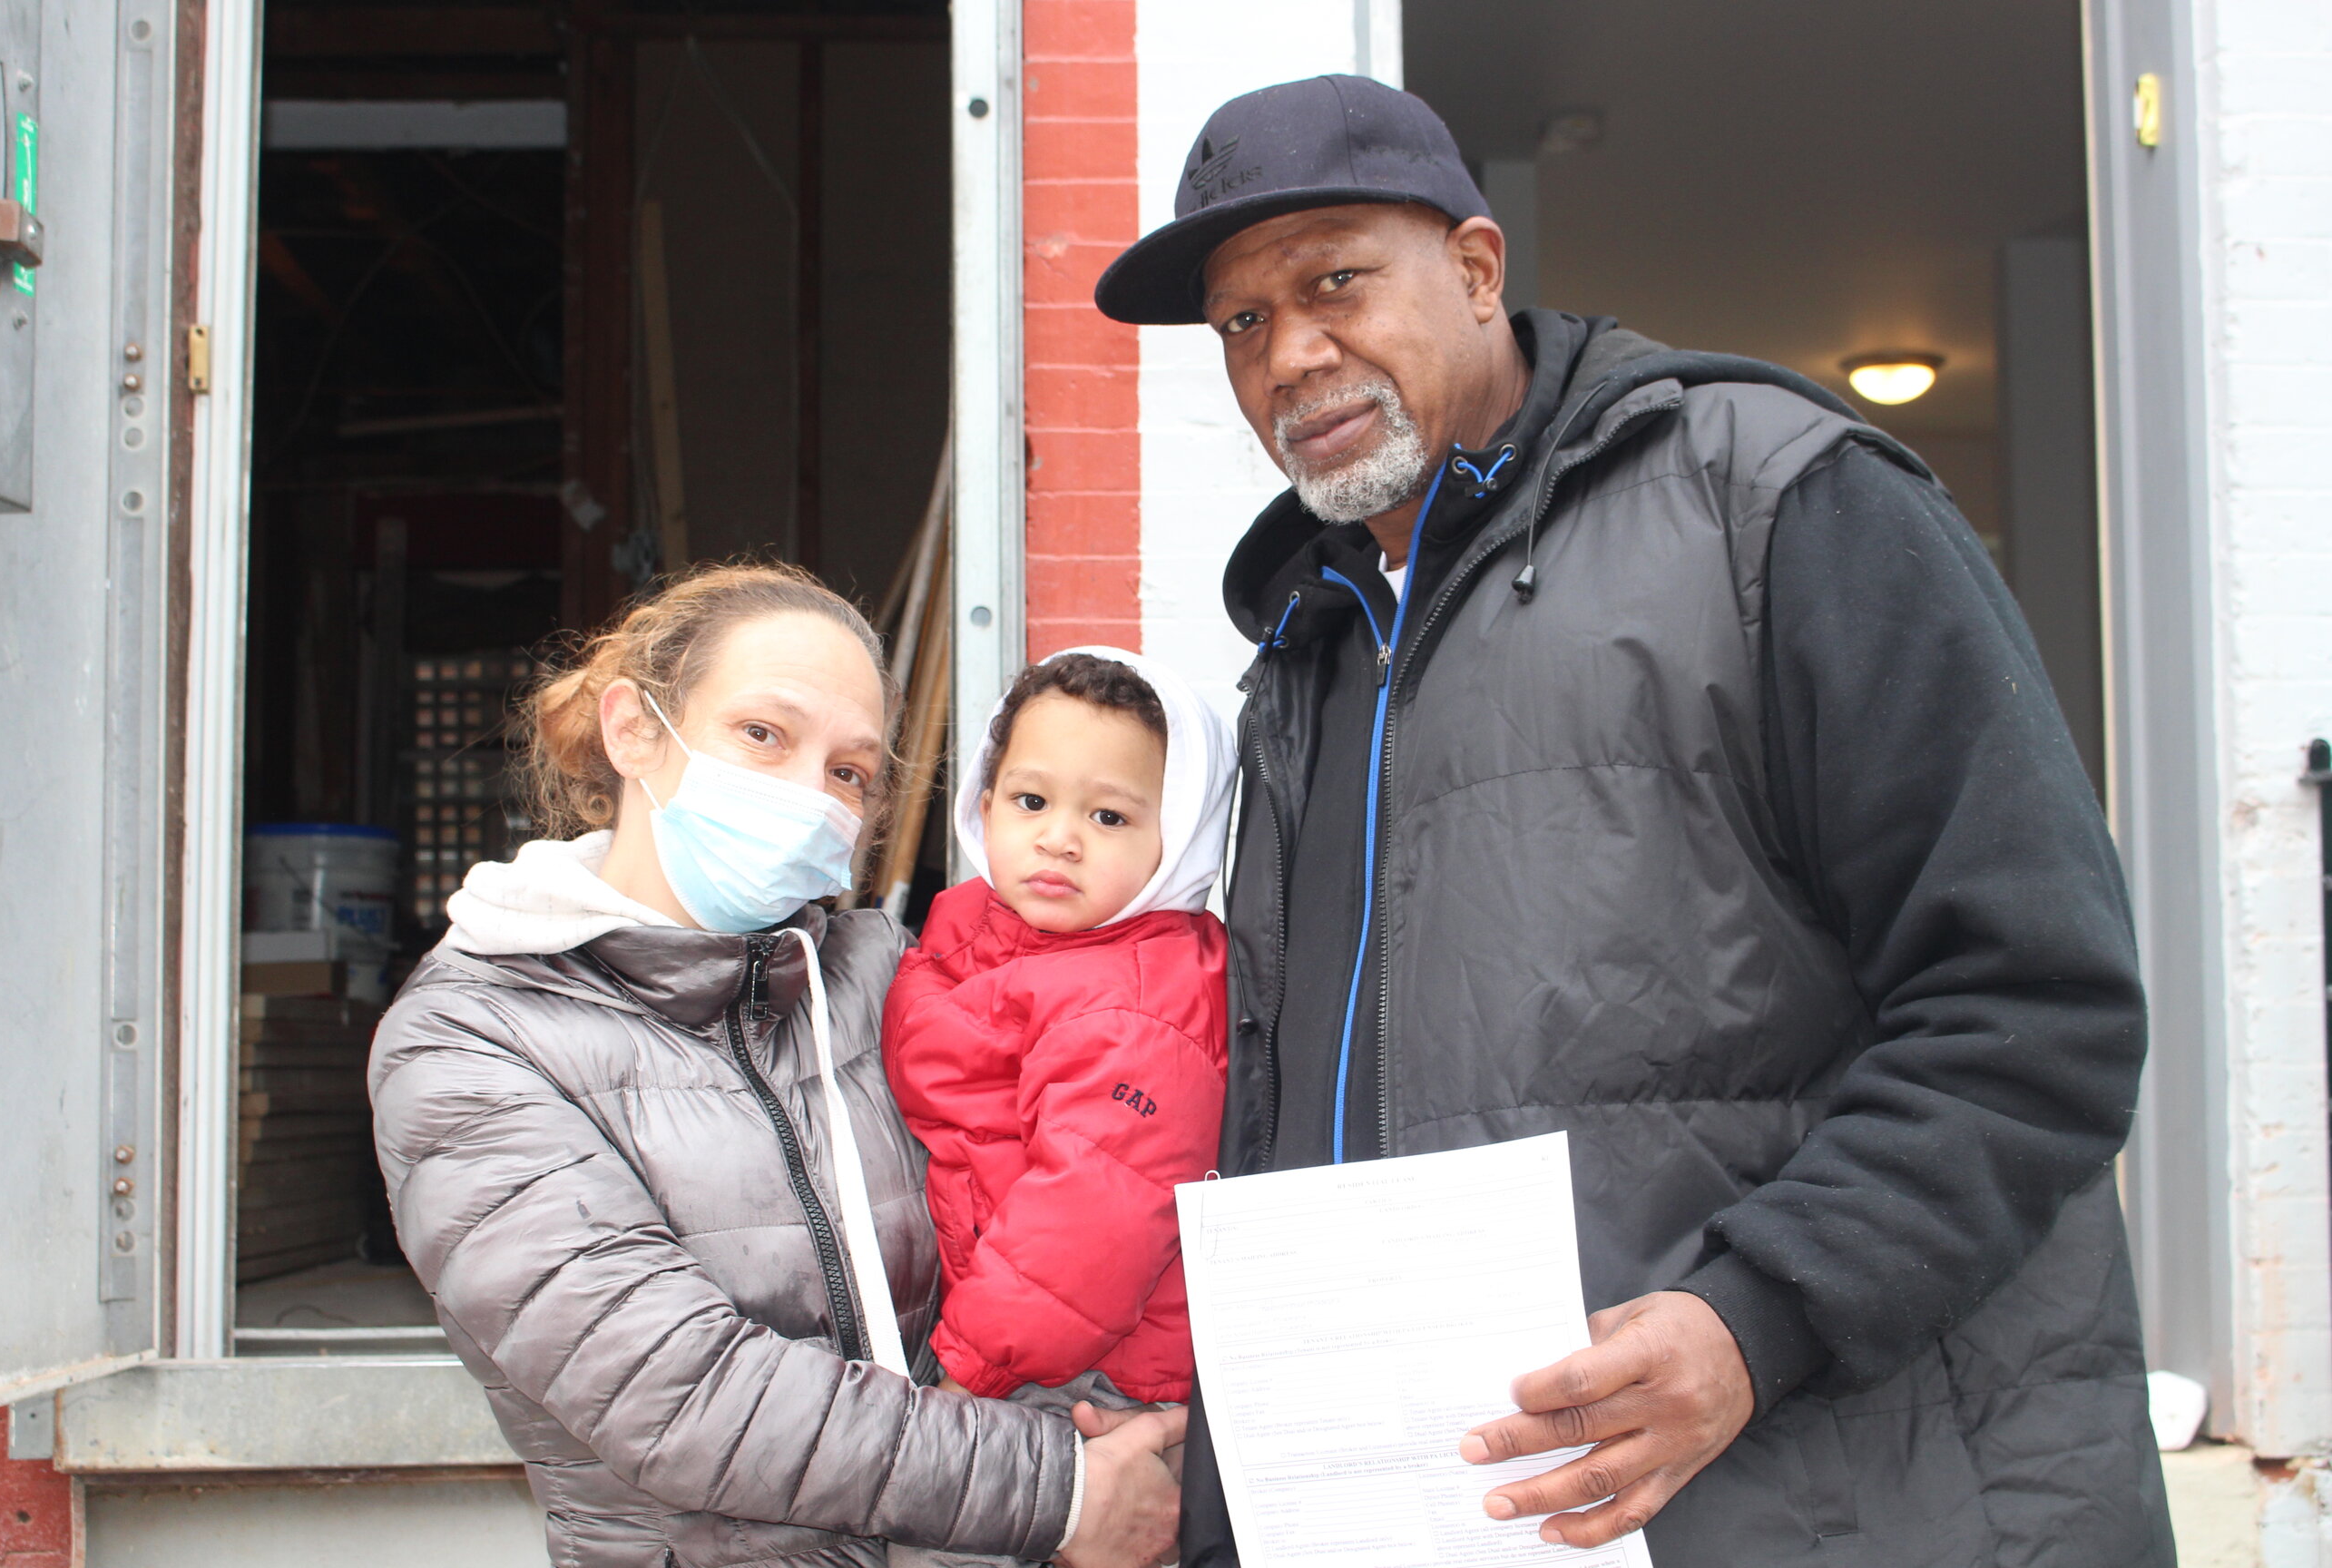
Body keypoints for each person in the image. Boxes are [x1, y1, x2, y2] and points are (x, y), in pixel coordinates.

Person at [1093, 75, 2172, 1567]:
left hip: (1822, 1503)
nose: (1289, 351)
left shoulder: (1782, 505)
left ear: (1476, 269)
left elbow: (2033, 1006)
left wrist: (1757, 1315)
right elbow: (1309, 1127)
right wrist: (1225, 1470)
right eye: (1240, 323)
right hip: (1452, 1516)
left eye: (1332, 278)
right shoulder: (1308, 651)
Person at [367, 564, 1185, 1568]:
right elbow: (679, 1394)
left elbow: (1085, 1200)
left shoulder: (894, 975)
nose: (810, 794)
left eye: (849, 771)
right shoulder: (470, 1040)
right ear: (633, 731)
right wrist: (1058, 1490)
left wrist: (1132, 1433)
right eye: (764, 735)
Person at [883, 651, 1233, 1427]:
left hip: (1078, 1376)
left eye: (1109, 816)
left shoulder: (1138, 1008)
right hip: (994, 1323)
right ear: (984, 800)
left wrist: (963, 1387)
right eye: (1031, 800)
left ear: (1180, 839)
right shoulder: (975, 928)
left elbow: (1085, 1239)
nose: (1059, 839)